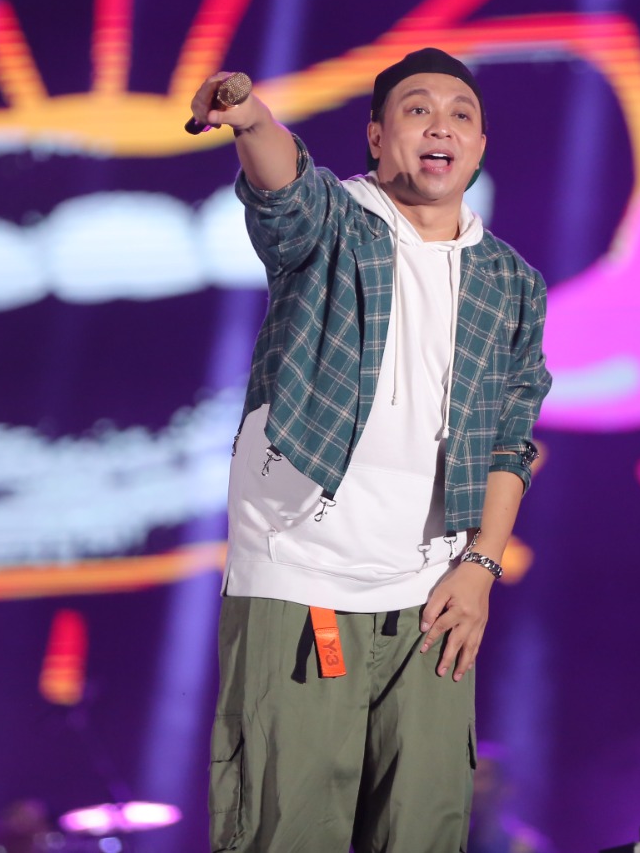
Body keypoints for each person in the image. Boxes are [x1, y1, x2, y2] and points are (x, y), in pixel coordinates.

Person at [193, 48, 552, 852]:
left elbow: (512, 438)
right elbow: (283, 185)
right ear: (378, 137)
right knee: (287, 829)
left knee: (424, 829)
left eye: (460, 115)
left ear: (480, 147)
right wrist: (250, 118)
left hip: (433, 592)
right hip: (302, 572)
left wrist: (480, 567)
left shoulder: (511, 282)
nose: (441, 127)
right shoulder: (335, 223)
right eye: (417, 110)